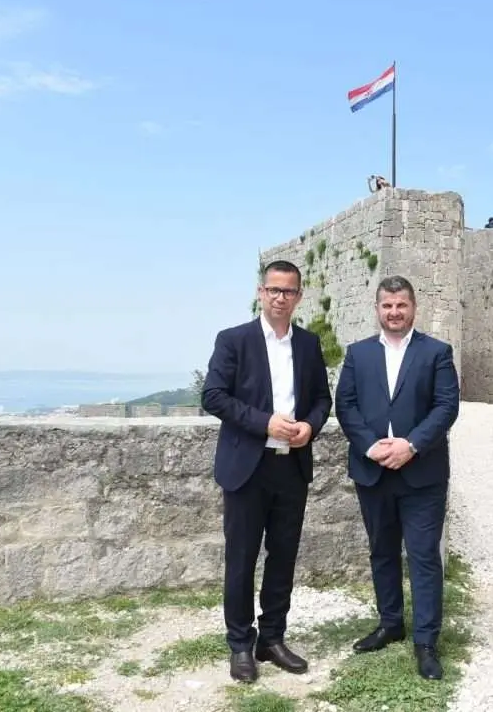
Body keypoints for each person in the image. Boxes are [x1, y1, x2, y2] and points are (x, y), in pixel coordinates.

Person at [201, 259, 333, 683]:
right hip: (246, 468)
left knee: (283, 557)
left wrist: (310, 426)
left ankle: (272, 638)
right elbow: (213, 396)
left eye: (288, 291)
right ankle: (241, 643)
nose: (280, 297)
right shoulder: (233, 340)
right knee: (241, 559)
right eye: (273, 290)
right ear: (261, 293)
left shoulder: (309, 344)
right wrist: (265, 423)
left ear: (299, 296)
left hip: (291, 467)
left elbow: (322, 399)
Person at [334, 275, 460, 680]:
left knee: (423, 557)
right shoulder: (357, 354)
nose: (394, 312)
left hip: (422, 473)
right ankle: (390, 624)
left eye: (401, 305)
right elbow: (345, 405)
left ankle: (426, 641)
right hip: (372, 471)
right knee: (382, 551)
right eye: (387, 305)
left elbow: (446, 406)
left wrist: (412, 445)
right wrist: (371, 447)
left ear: (413, 307)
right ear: (377, 308)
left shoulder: (436, 352)